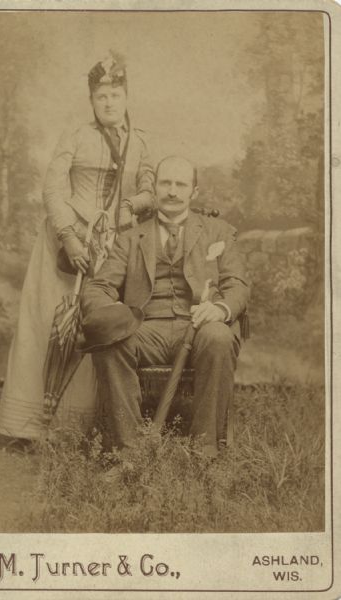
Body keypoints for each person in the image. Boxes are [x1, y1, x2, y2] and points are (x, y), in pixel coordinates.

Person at [0, 51, 155, 440]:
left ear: (127, 97)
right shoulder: (76, 135)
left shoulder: (141, 142)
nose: (109, 103)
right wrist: (69, 235)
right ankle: (31, 426)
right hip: (66, 247)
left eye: (115, 95)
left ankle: (81, 428)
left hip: (111, 248)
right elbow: (52, 188)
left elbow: (150, 186)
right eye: (101, 97)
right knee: (52, 327)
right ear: (91, 102)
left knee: (95, 326)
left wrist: (132, 205)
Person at [81, 156, 249, 458]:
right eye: (165, 183)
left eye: (180, 184)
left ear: (193, 192)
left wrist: (221, 309)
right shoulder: (130, 239)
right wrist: (114, 314)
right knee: (110, 342)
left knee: (219, 337)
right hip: (146, 329)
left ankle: (206, 451)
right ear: (154, 189)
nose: (172, 191)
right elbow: (98, 287)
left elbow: (238, 284)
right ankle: (128, 453)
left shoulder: (218, 232)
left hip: (199, 326)